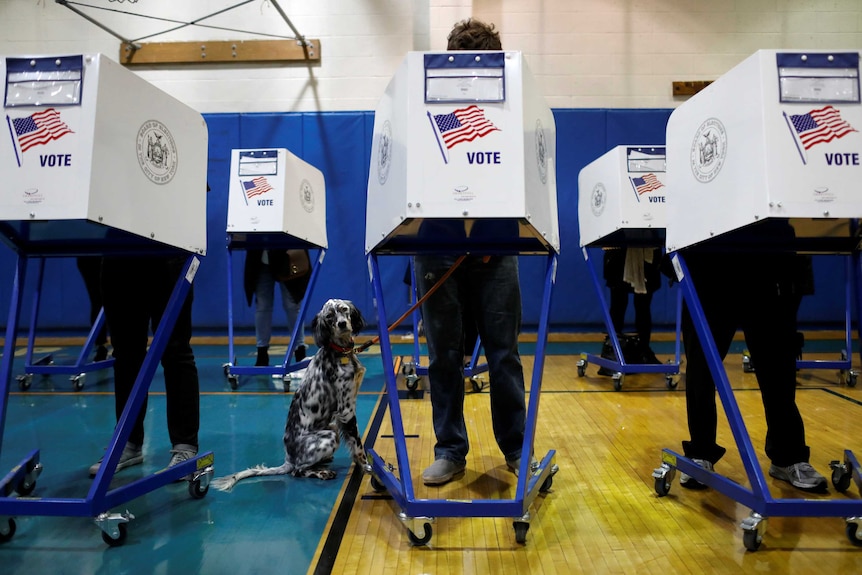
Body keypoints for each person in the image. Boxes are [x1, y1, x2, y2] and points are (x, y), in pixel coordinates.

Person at [415, 18, 528, 486]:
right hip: (437, 243)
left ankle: (518, 449)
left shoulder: (514, 106)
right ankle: (450, 450)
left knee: (503, 355)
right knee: (443, 355)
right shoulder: (422, 103)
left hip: (496, 246)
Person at [677, 220, 827, 492]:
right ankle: (700, 452)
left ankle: (788, 457)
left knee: (778, 365)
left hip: (769, 254)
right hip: (710, 256)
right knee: (701, 366)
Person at [88, 254, 201, 477]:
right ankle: (127, 442)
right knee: (126, 354)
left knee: (176, 351)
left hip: (169, 253)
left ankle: (185, 446)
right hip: (119, 256)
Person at [598, 246, 662, 375]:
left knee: (643, 304)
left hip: (646, 252)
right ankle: (612, 351)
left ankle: (643, 351)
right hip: (618, 251)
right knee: (618, 303)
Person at [243, 249, 309, 366]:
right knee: (263, 306)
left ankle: (300, 352)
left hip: (288, 253)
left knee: (292, 305)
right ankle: (262, 353)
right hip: (260, 255)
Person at [76, 256, 109, 362]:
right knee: (98, 301)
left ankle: (101, 347)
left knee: (98, 301)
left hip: (104, 255)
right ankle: (101, 346)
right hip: (91, 257)